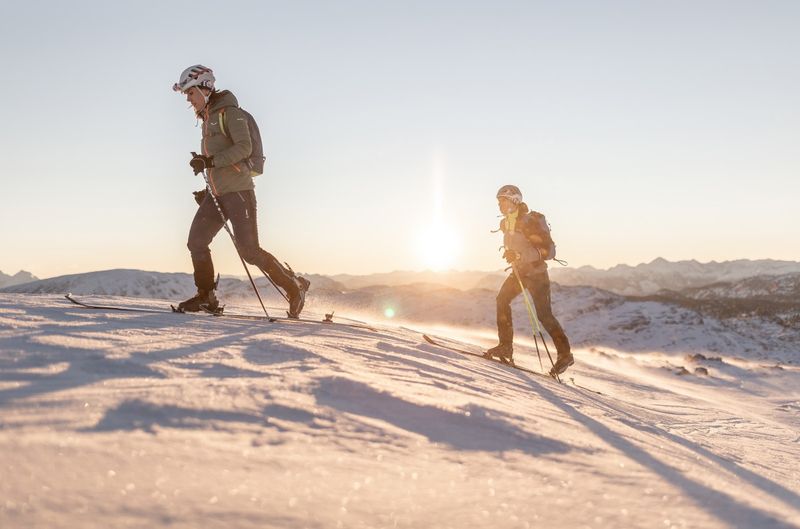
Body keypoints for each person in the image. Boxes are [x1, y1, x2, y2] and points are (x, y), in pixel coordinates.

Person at [172, 64, 309, 317]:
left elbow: (244, 148)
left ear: (205, 87)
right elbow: (218, 159)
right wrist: (208, 183)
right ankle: (206, 297)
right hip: (218, 194)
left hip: (239, 192)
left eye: (190, 93)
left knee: (249, 251)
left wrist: (209, 162)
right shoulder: (208, 117)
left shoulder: (229, 112)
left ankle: (295, 286)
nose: (189, 100)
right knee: (196, 241)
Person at [487, 185, 574, 376]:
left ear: (514, 201)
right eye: (499, 201)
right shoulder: (506, 223)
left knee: (544, 315)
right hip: (519, 273)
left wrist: (519, 255)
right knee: (502, 300)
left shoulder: (532, 221)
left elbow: (549, 251)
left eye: (503, 200)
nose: (499, 204)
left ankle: (565, 355)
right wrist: (513, 256)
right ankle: (505, 347)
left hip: (536, 275)